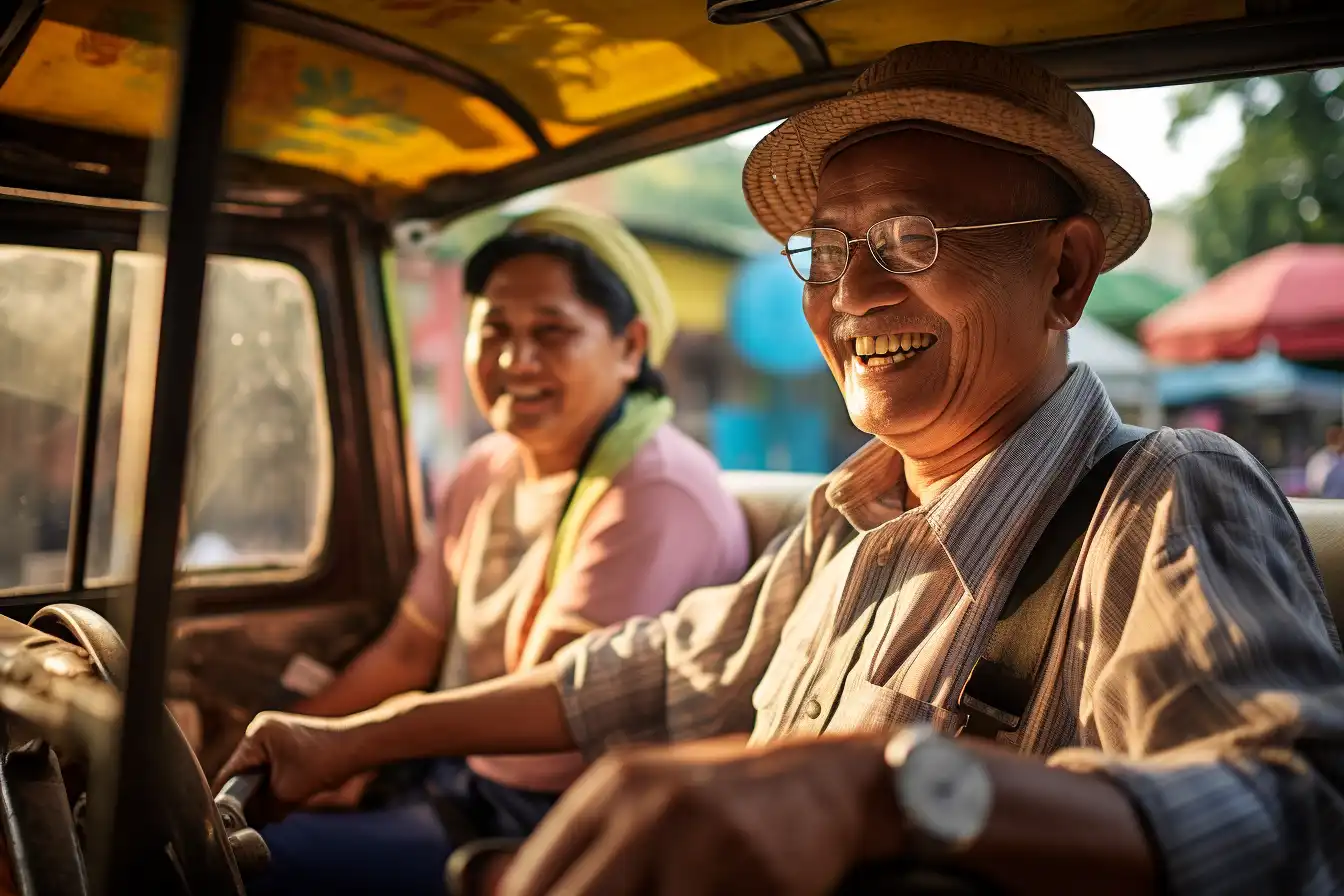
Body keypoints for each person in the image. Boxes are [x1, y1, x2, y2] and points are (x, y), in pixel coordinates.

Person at [221, 42, 1344, 895]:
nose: (850, 295)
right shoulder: (846, 519)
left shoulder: (1165, 496)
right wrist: (357, 735)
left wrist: (890, 785)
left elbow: (1293, 813)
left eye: (909, 238)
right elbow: (646, 673)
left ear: (1064, 273)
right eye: (825, 247)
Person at [237, 205, 751, 895]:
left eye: (552, 332)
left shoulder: (654, 491)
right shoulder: (486, 468)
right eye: (495, 331)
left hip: (559, 816)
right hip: (461, 778)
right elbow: (407, 650)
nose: (515, 361)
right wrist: (274, 748)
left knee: (246, 865)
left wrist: (353, 750)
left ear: (631, 346)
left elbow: (554, 724)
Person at [1307, 422, 1344, 496]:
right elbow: (1316, 486)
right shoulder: (1318, 460)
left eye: (1337, 435)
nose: (1334, 438)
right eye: (1331, 435)